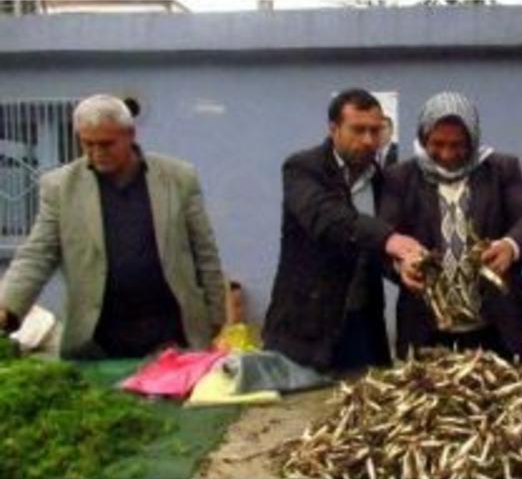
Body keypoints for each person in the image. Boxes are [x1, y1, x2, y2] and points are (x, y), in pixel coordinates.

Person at [0, 94, 225, 358]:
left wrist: (215, 313)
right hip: (98, 335)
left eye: (107, 144)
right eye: (88, 144)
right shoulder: (60, 187)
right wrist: (8, 307)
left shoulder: (177, 178)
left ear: (130, 135)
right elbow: (38, 254)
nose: (97, 153)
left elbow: (203, 249)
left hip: (172, 329)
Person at [263, 88, 423, 382]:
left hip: (364, 327)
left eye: (376, 131)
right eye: (358, 130)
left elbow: (377, 250)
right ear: (334, 129)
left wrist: (402, 267)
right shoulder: (303, 168)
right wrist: (389, 239)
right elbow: (326, 219)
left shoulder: (383, 180)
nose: (368, 140)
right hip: (307, 330)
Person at [380, 92, 522, 359]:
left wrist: (510, 246)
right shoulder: (400, 178)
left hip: (494, 332)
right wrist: (401, 266)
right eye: (437, 143)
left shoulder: (501, 170)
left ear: (473, 138)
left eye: (458, 145)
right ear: (423, 138)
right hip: (427, 332)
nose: (447, 154)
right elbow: (384, 239)